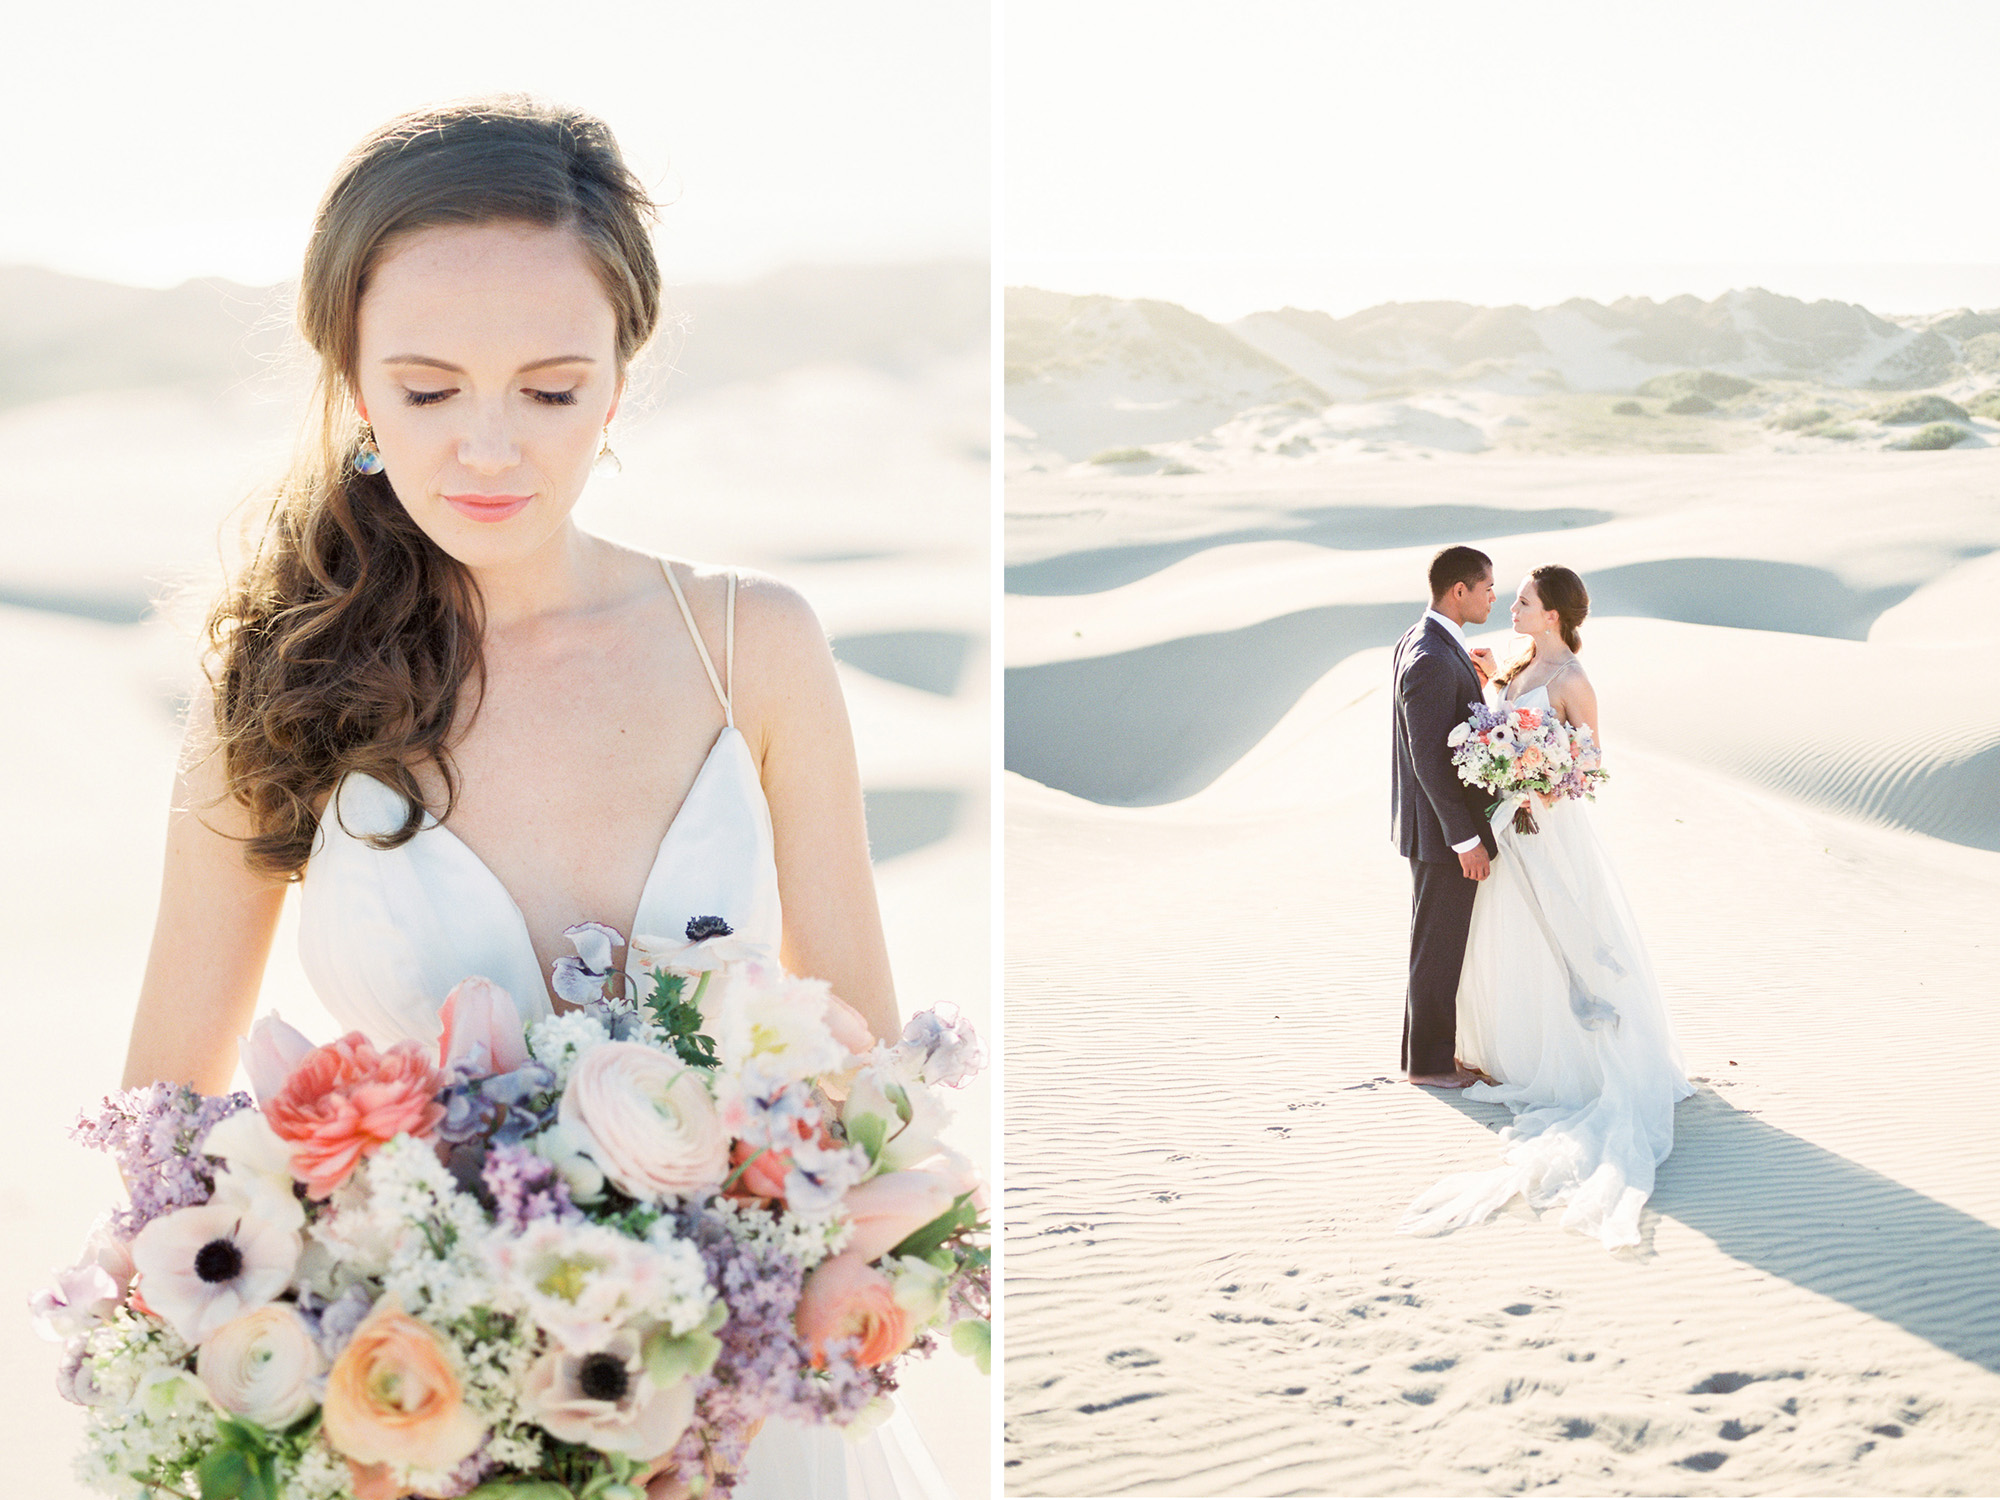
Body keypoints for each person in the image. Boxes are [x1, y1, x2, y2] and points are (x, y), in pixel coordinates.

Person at [117, 96, 948, 1499]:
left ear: (620, 382)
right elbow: (168, 1123)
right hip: (414, 1418)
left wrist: (806, 1299)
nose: (489, 448)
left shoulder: (755, 648)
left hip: (748, 1419)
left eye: (550, 389)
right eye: (429, 389)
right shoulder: (274, 681)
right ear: (352, 384)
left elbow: (863, 1074)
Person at [1401, 565, 1695, 1251]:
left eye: (1526, 602)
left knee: (1567, 936)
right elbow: (1491, 718)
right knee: (1508, 942)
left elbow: (1589, 764)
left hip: (1548, 833)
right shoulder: (1516, 666)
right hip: (1508, 832)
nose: (1512, 608)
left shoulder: (1572, 682)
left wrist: (1539, 779)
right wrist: (1487, 687)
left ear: (1554, 615)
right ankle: (1514, 1048)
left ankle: (1580, 1057)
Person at [1389, 545, 1501, 1089]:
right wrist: (1465, 839)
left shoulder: (1427, 641)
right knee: (1437, 948)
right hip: (1440, 833)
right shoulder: (1431, 658)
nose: (1493, 597)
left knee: (1433, 943)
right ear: (1459, 591)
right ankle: (1430, 1066)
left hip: (1431, 828)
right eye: (1486, 588)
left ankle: (1426, 1056)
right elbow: (1428, 759)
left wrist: (1475, 677)